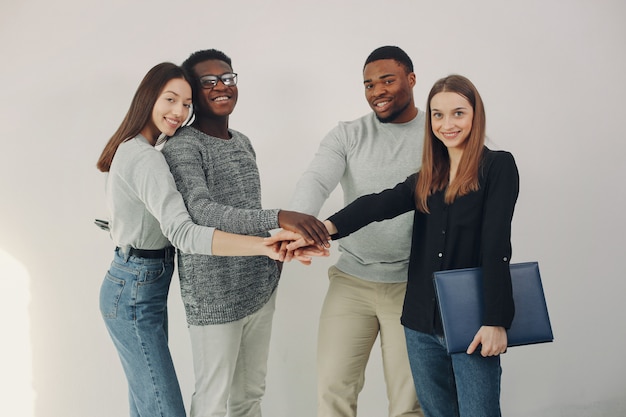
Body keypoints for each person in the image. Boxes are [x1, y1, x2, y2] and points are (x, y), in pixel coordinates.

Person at [95, 62, 321, 417]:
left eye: (184, 104)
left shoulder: (142, 151)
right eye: (171, 99)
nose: (178, 111)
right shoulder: (150, 157)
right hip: (136, 286)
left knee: (147, 404)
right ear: (148, 97)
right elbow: (187, 229)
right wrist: (263, 240)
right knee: (163, 407)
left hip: (141, 280)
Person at [310, 74, 520, 417]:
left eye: (458, 113)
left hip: (473, 321)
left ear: (475, 115)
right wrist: (322, 230)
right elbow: (378, 204)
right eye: (437, 114)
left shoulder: (497, 166)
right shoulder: (429, 175)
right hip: (420, 323)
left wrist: (496, 320)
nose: (447, 124)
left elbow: (496, 246)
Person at [161, 49, 329, 417]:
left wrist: (274, 256)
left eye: (228, 78)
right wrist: (280, 216)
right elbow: (201, 212)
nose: (221, 87)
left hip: (259, 286)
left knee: (250, 396)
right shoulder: (183, 146)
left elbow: (247, 209)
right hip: (214, 295)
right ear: (193, 92)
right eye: (208, 82)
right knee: (211, 400)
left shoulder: (242, 141)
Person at [288, 45, 424, 417]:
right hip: (352, 280)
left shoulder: (438, 131)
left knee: (410, 402)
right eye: (368, 84)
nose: (376, 90)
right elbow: (316, 180)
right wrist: (297, 224)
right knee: (333, 391)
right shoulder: (348, 135)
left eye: (387, 80)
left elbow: (476, 171)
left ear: (411, 80)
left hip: (413, 286)